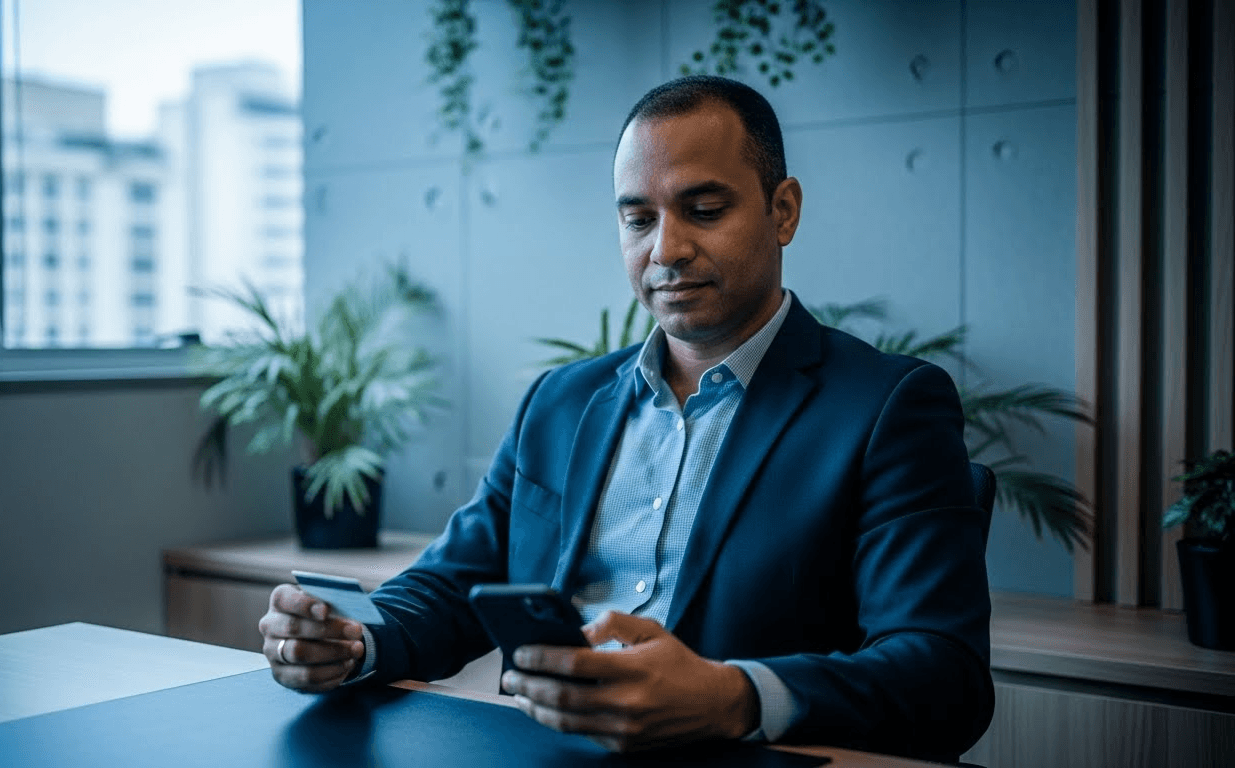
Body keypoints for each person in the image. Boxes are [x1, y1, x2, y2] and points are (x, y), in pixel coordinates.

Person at [258, 75, 993, 762]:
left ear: (783, 211)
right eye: (638, 219)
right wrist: (355, 638)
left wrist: (732, 697)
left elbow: (942, 675)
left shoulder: (886, 406)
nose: (666, 250)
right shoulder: (560, 402)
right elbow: (454, 584)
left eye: (705, 211)